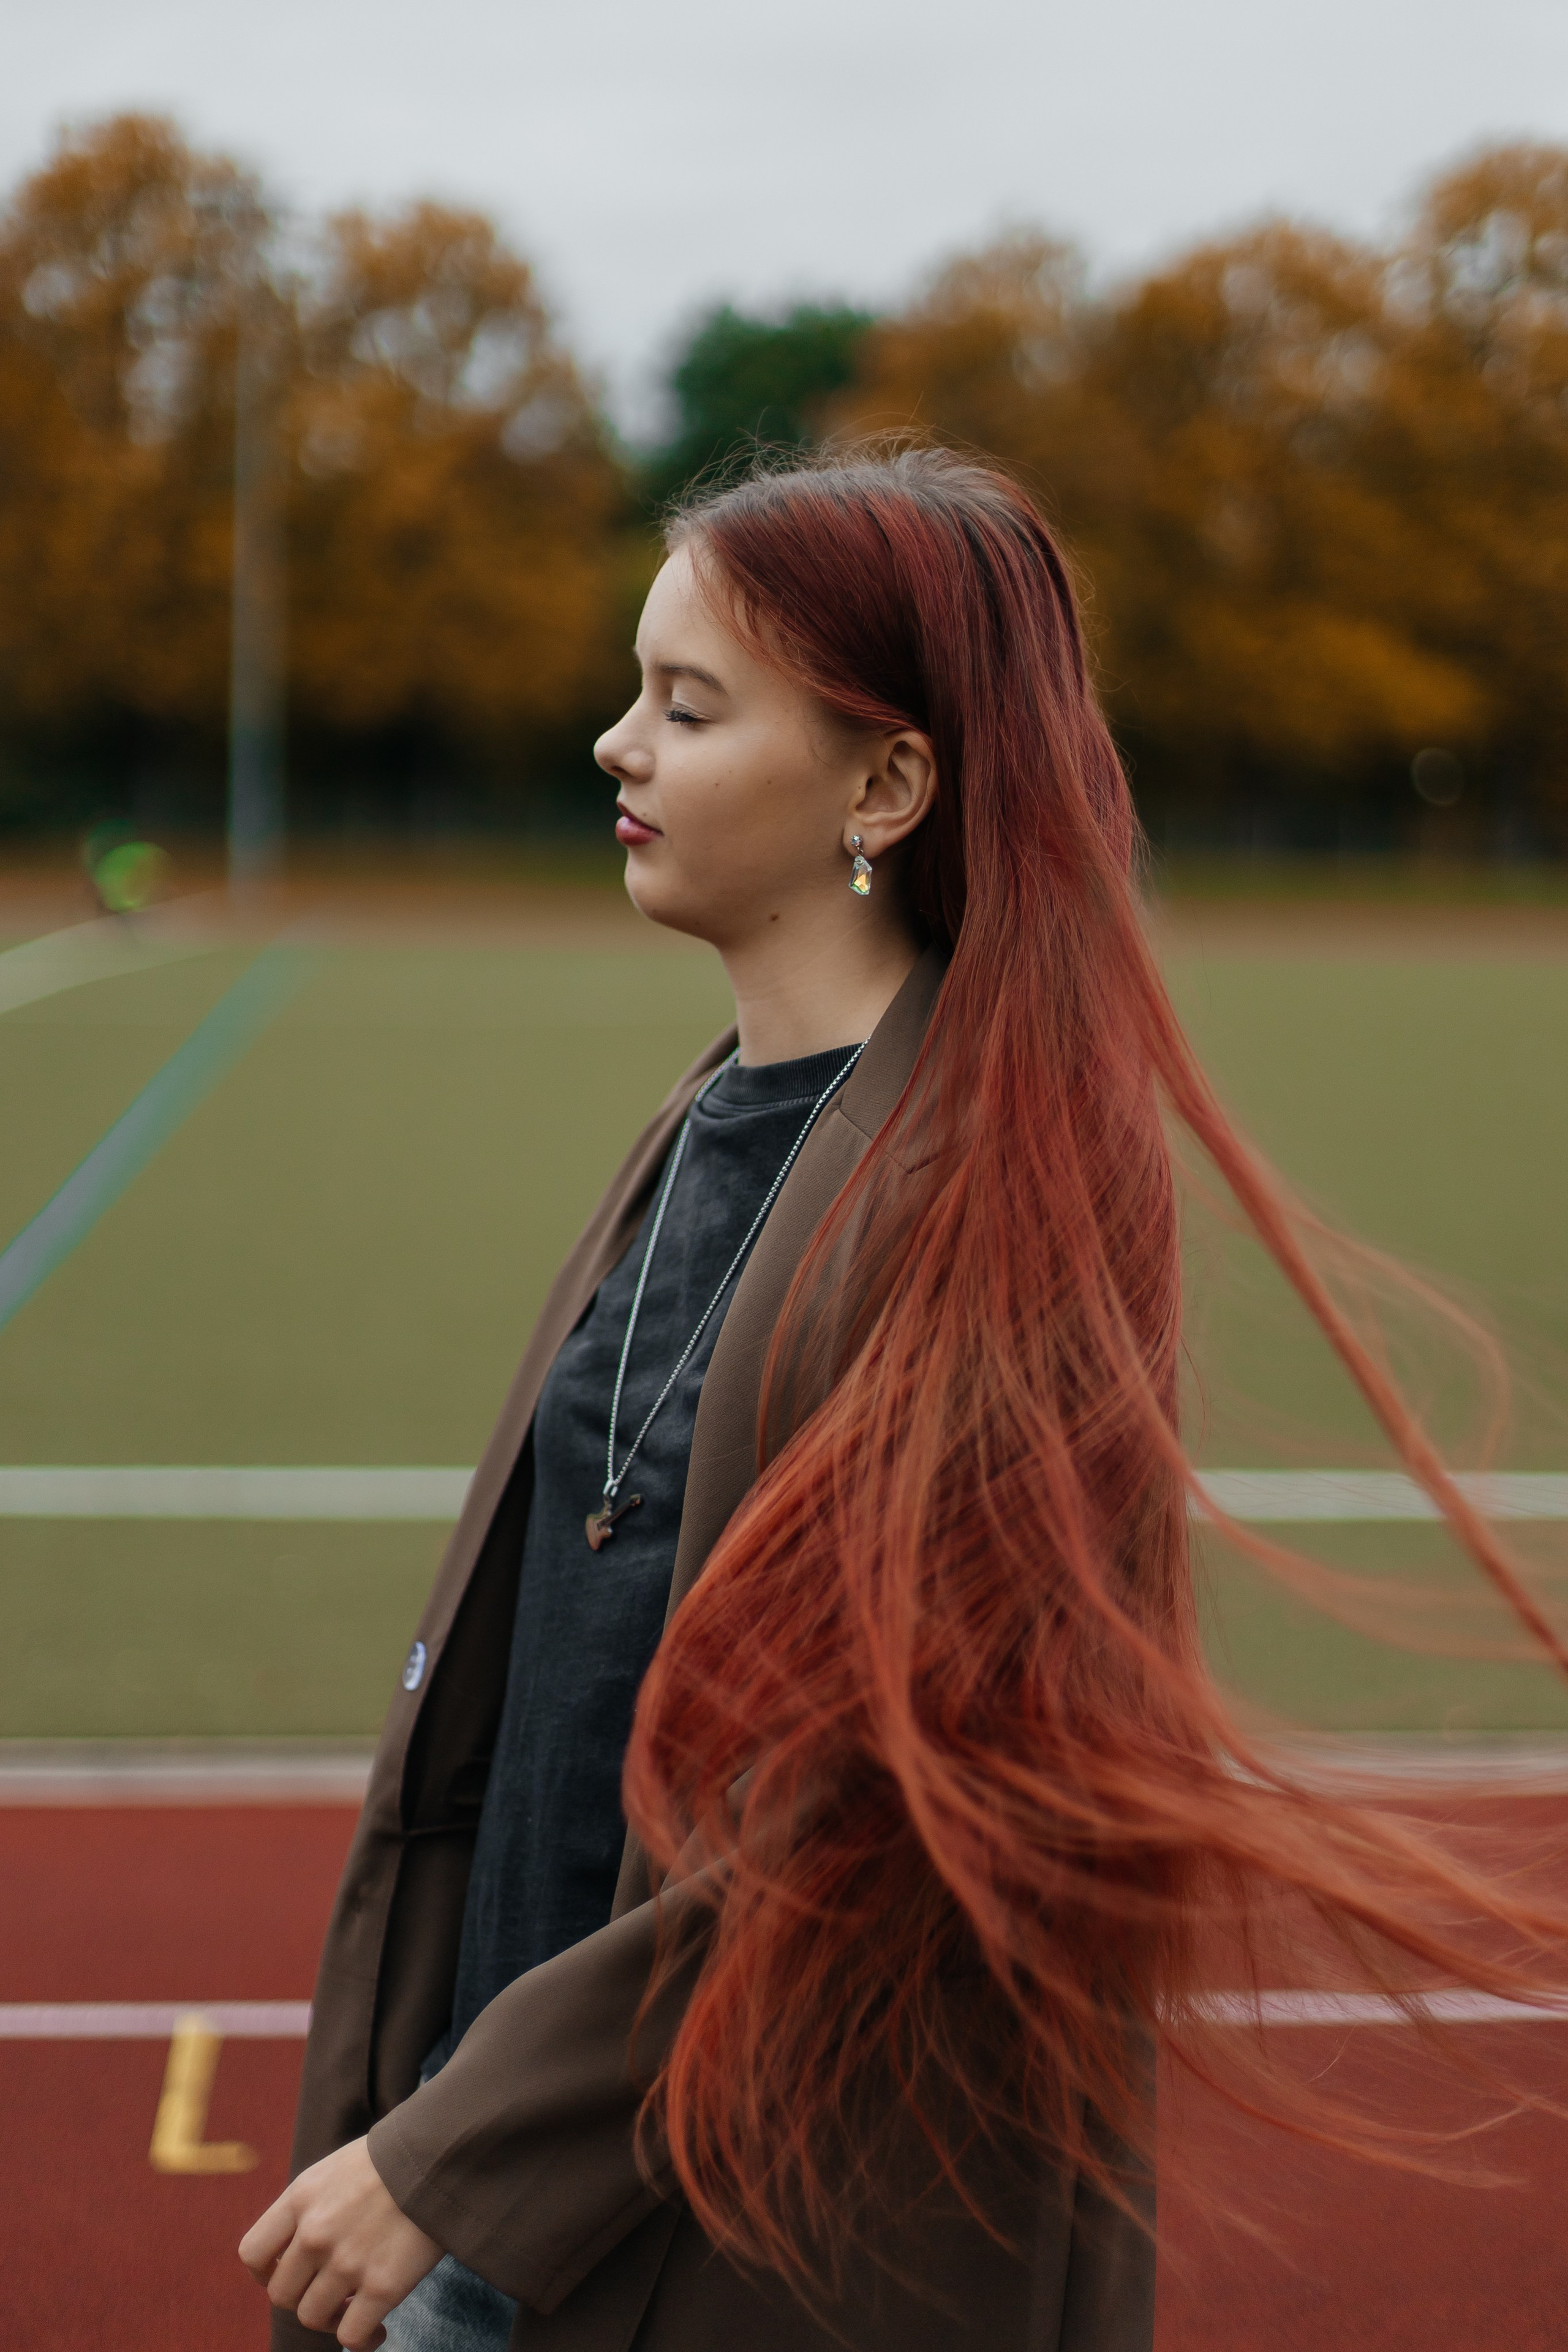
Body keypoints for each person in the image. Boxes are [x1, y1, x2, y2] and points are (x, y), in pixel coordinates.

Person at [241, 450, 1566, 2352]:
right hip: (501, 2192)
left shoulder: (979, 1199)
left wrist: (465, 2153)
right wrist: (434, 2123)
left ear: (886, 786)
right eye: (638, 688)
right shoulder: (710, 1120)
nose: (616, 745)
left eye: (687, 708)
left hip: (725, 2235)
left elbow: (866, 1820)